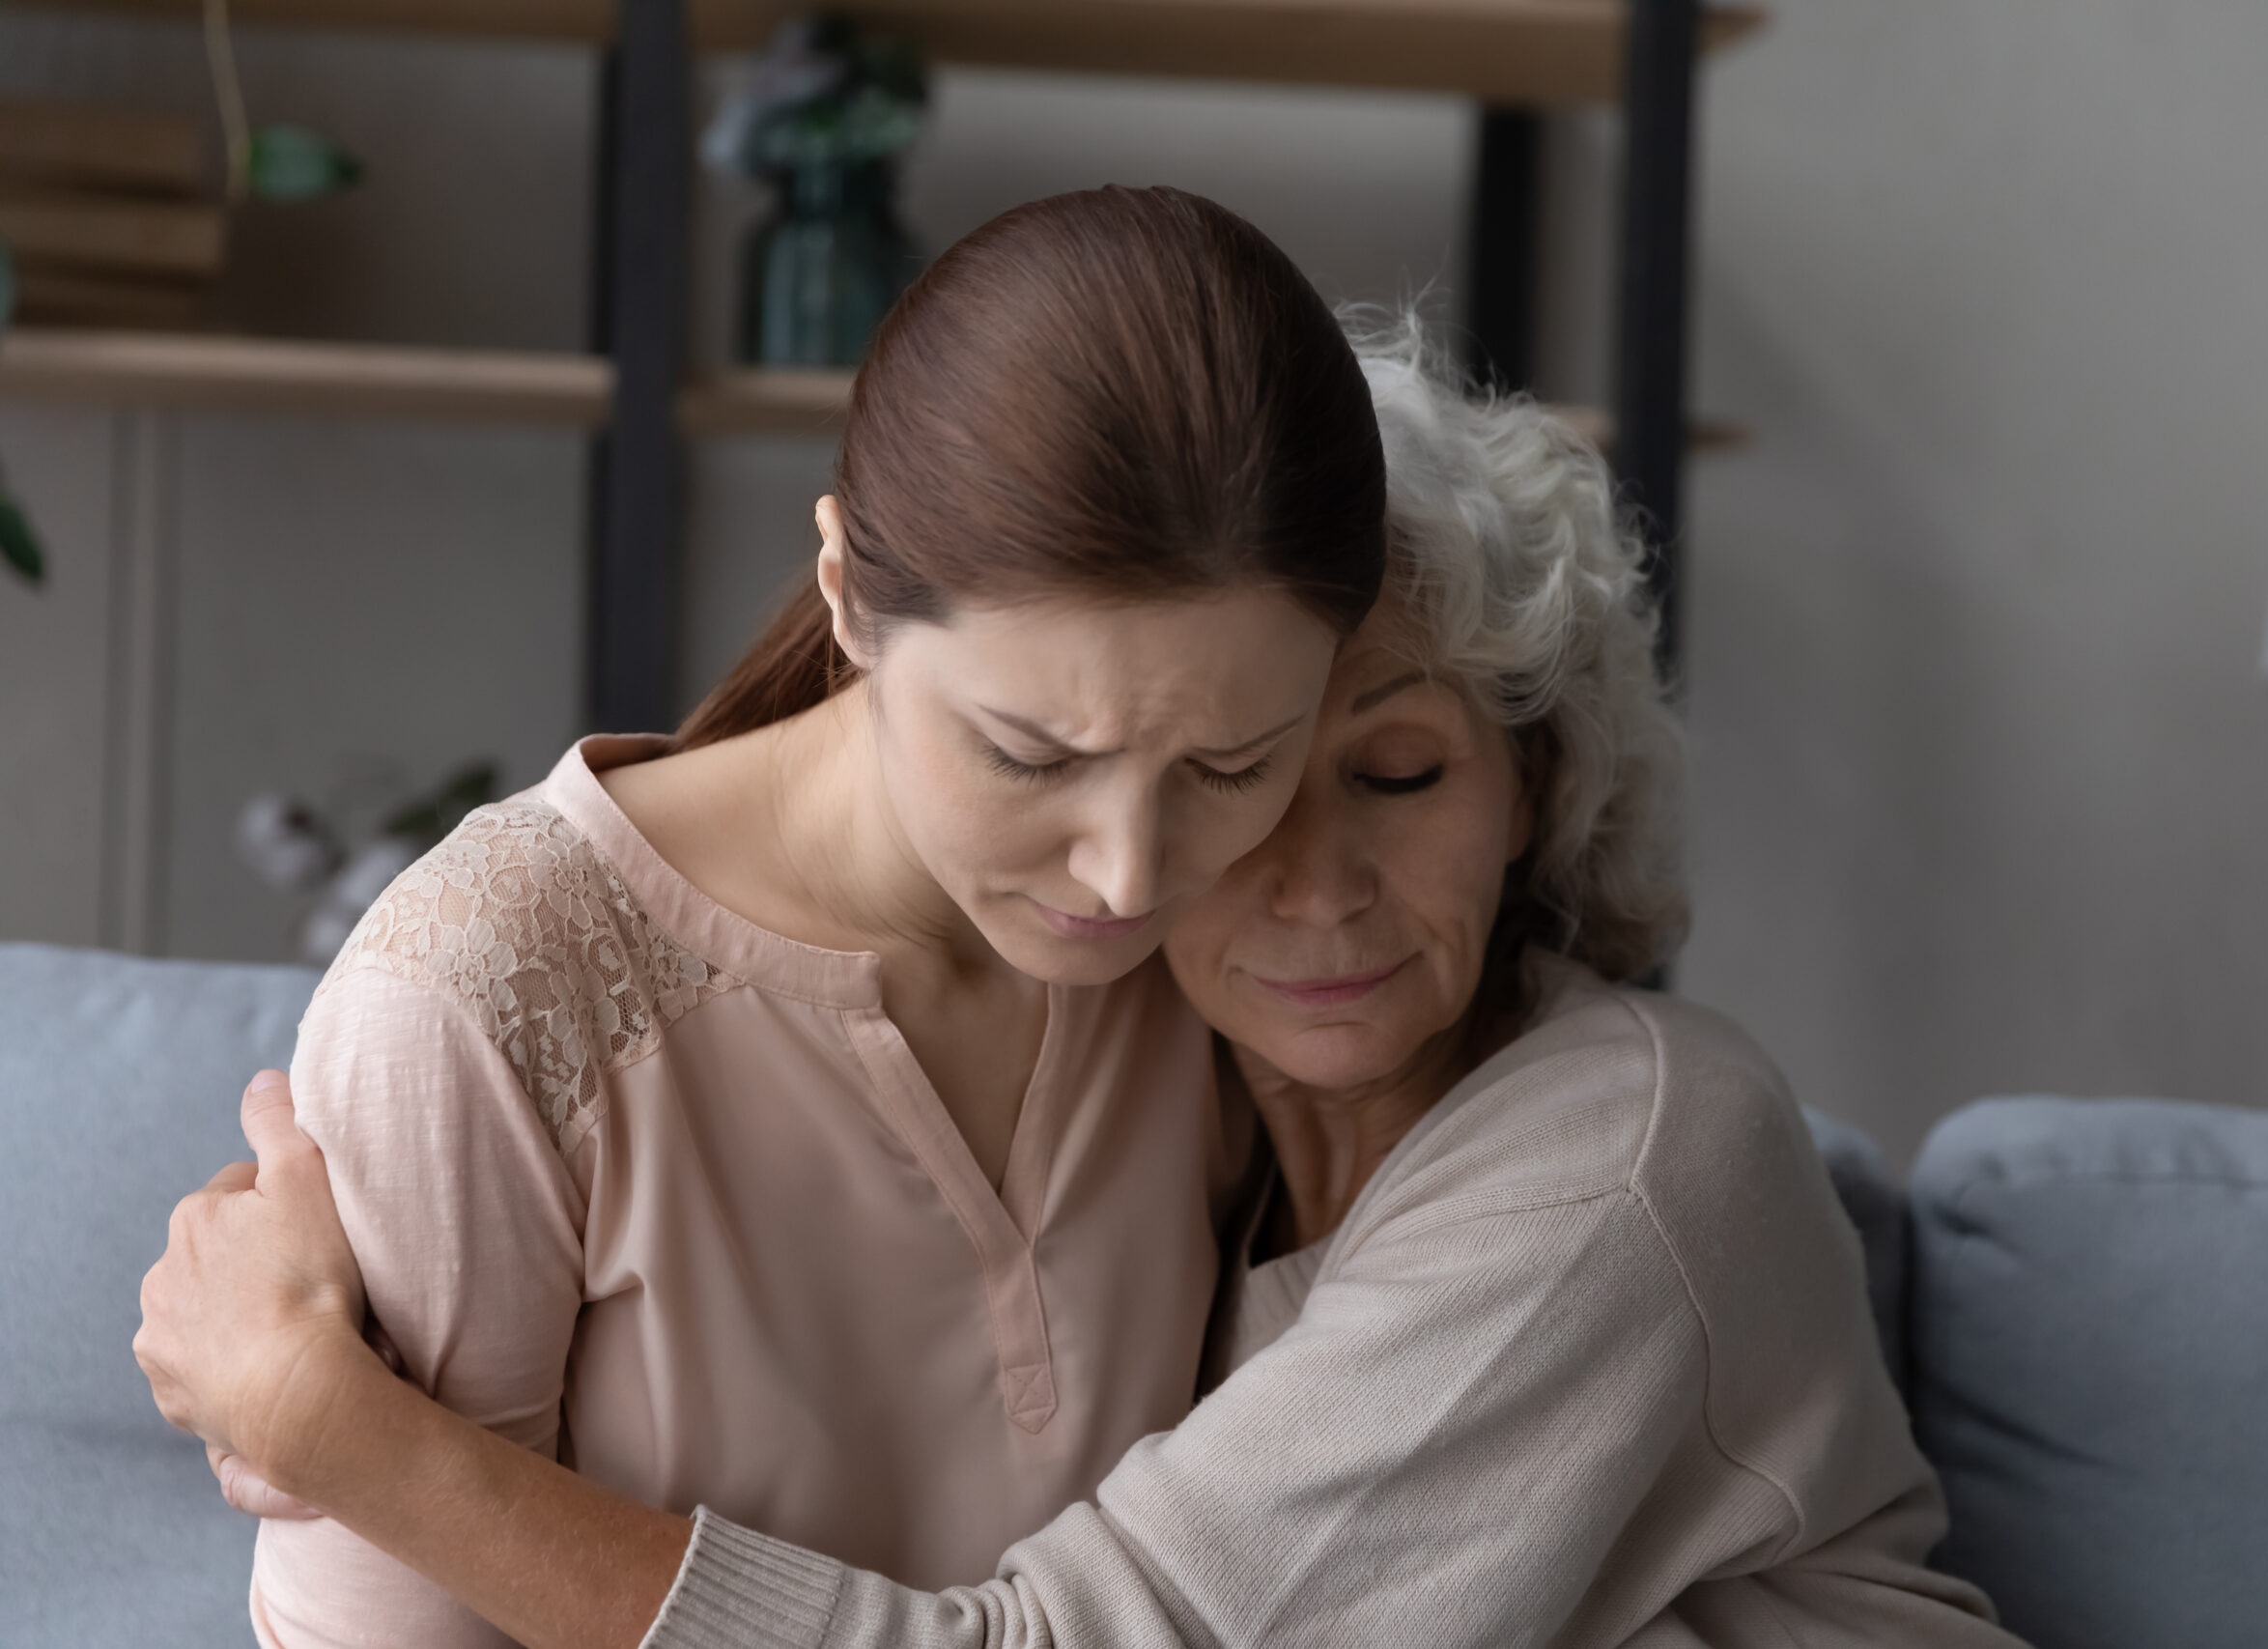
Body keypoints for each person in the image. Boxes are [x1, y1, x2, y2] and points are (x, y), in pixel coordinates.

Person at [139, 325, 2026, 1649]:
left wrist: (348, 1431)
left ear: (1540, 778)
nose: (1308, 884)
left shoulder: (1622, 1150)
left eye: (1397, 771)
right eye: (1241, 788)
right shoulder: (1154, 1095)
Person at [164, 184, 1390, 1649]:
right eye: (1030, 756)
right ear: (849, 591)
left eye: (1230, 765)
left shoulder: (1245, 945)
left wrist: (323, 1416)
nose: (1129, 873)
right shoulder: (483, 1004)